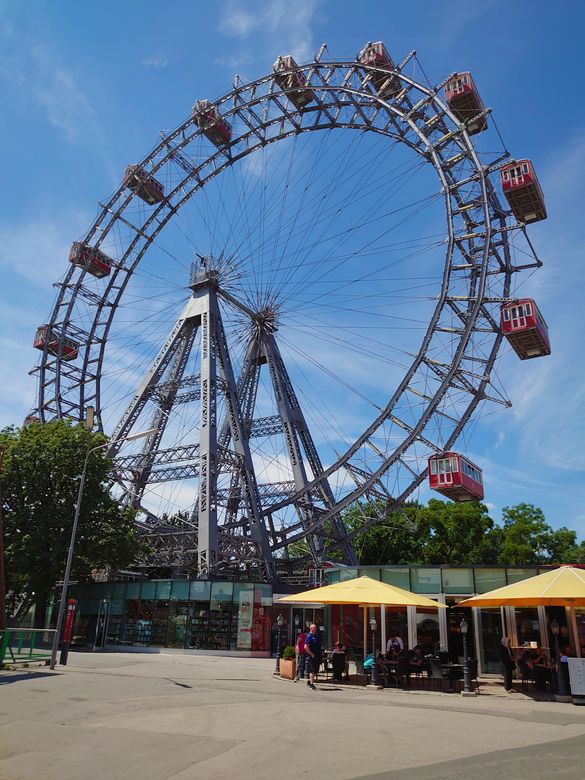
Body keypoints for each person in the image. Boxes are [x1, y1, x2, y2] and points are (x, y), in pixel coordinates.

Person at [304, 623, 322, 690]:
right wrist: (311, 654)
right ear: (311, 628)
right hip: (312, 656)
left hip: (318, 655)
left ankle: (309, 681)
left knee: (316, 670)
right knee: (312, 670)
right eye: (314, 628)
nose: (315, 629)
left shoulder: (316, 635)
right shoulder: (309, 636)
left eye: (316, 628)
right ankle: (311, 684)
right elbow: (305, 647)